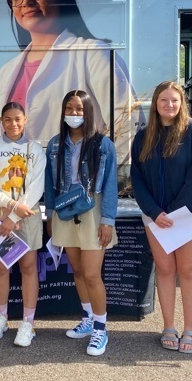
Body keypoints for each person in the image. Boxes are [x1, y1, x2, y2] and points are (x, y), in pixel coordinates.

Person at [0, 0, 140, 148]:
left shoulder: (93, 54)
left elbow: (127, 124)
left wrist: (108, 175)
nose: (26, 1)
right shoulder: (7, 71)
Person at [130, 81, 192, 354]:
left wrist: (176, 211)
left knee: (188, 271)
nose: (169, 105)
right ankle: (169, 326)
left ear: (182, 102)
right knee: (164, 270)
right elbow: (137, 177)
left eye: (174, 100)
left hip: (188, 216)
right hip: (155, 217)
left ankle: (190, 329)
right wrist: (154, 212)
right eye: (164, 100)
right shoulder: (144, 135)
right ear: (155, 103)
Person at [44, 90, 119, 356]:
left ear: (88, 112)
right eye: (70, 108)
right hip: (65, 211)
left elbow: (111, 185)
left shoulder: (102, 144)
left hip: (93, 211)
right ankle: (88, 318)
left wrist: (107, 220)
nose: (74, 114)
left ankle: (101, 328)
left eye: (79, 109)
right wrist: (50, 215)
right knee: (76, 271)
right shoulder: (55, 144)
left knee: (91, 274)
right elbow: (50, 185)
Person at [0, 101, 46, 347]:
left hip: (25, 216)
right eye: (8, 119)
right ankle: (1, 318)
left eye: (18, 119)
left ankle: (28, 322)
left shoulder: (35, 150)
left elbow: (36, 187)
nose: (13, 124)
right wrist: (9, 208)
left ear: (25, 120)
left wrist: (15, 216)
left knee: (29, 267)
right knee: (0, 267)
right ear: (1, 121)